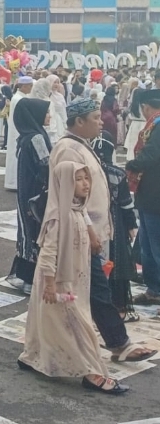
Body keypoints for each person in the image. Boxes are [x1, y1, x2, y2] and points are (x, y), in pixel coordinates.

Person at [52, 97, 154, 363]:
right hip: (80, 233)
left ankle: (116, 343)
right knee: (93, 289)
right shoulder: (68, 150)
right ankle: (116, 343)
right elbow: (71, 198)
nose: (102, 122)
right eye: (95, 118)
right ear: (79, 121)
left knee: (93, 290)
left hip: (92, 230)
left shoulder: (82, 146)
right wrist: (89, 231)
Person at [18, 163, 128, 395]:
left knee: (49, 321)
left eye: (86, 178)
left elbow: (86, 221)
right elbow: (48, 252)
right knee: (78, 324)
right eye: (78, 179)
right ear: (65, 183)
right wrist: (49, 285)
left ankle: (31, 356)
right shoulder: (59, 216)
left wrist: (93, 237)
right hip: (59, 282)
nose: (85, 184)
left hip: (75, 278)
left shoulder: (77, 209)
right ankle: (92, 373)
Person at [92, 132, 140, 319]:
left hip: (93, 222)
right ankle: (118, 305)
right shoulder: (117, 174)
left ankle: (94, 305)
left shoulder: (87, 169)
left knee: (96, 263)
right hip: (116, 225)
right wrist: (131, 226)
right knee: (116, 262)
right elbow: (126, 204)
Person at [7, 99, 53, 293]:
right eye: (46, 112)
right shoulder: (36, 138)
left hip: (27, 192)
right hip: (37, 194)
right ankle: (32, 280)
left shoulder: (26, 136)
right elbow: (46, 165)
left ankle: (26, 277)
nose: (49, 116)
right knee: (38, 232)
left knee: (29, 230)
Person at [127, 88, 160, 307]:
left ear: (146, 108)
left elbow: (151, 154)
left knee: (156, 247)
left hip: (156, 194)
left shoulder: (157, 125)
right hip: (149, 193)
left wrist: (132, 165)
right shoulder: (154, 124)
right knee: (148, 246)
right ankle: (154, 290)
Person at [4, 76, 34, 190]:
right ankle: (14, 183)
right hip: (18, 130)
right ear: (24, 86)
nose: (31, 88)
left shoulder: (19, 97)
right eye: (30, 86)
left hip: (16, 130)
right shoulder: (19, 99)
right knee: (16, 157)